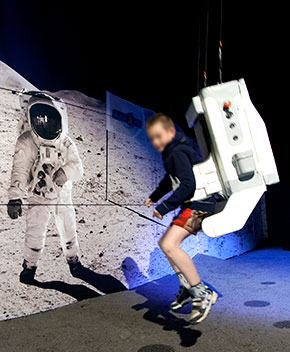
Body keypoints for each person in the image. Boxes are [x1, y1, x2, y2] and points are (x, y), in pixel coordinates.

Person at [145, 112, 218, 324]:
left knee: (169, 244)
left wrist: (165, 206)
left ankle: (202, 293)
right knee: (165, 244)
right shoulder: (173, 153)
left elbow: (188, 185)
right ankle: (187, 288)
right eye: (152, 138)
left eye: (159, 136)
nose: (156, 142)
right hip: (194, 205)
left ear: (170, 132)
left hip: (199, 206)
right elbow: (171, 180)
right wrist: (156, 196)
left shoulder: (177, 152)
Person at [7, 92, 84, 284]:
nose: (46, 124)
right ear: (32, 119)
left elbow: (78, 168)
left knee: (68, 228)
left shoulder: (65, 143)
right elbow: (20, 170)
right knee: (35, 229)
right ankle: (29, 266)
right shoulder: (27, 141)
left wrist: (64, 173)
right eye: (40, 119)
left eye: (50, 120)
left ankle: (73, 260)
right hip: (38, 195)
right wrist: (15, 197)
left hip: (62, 196)